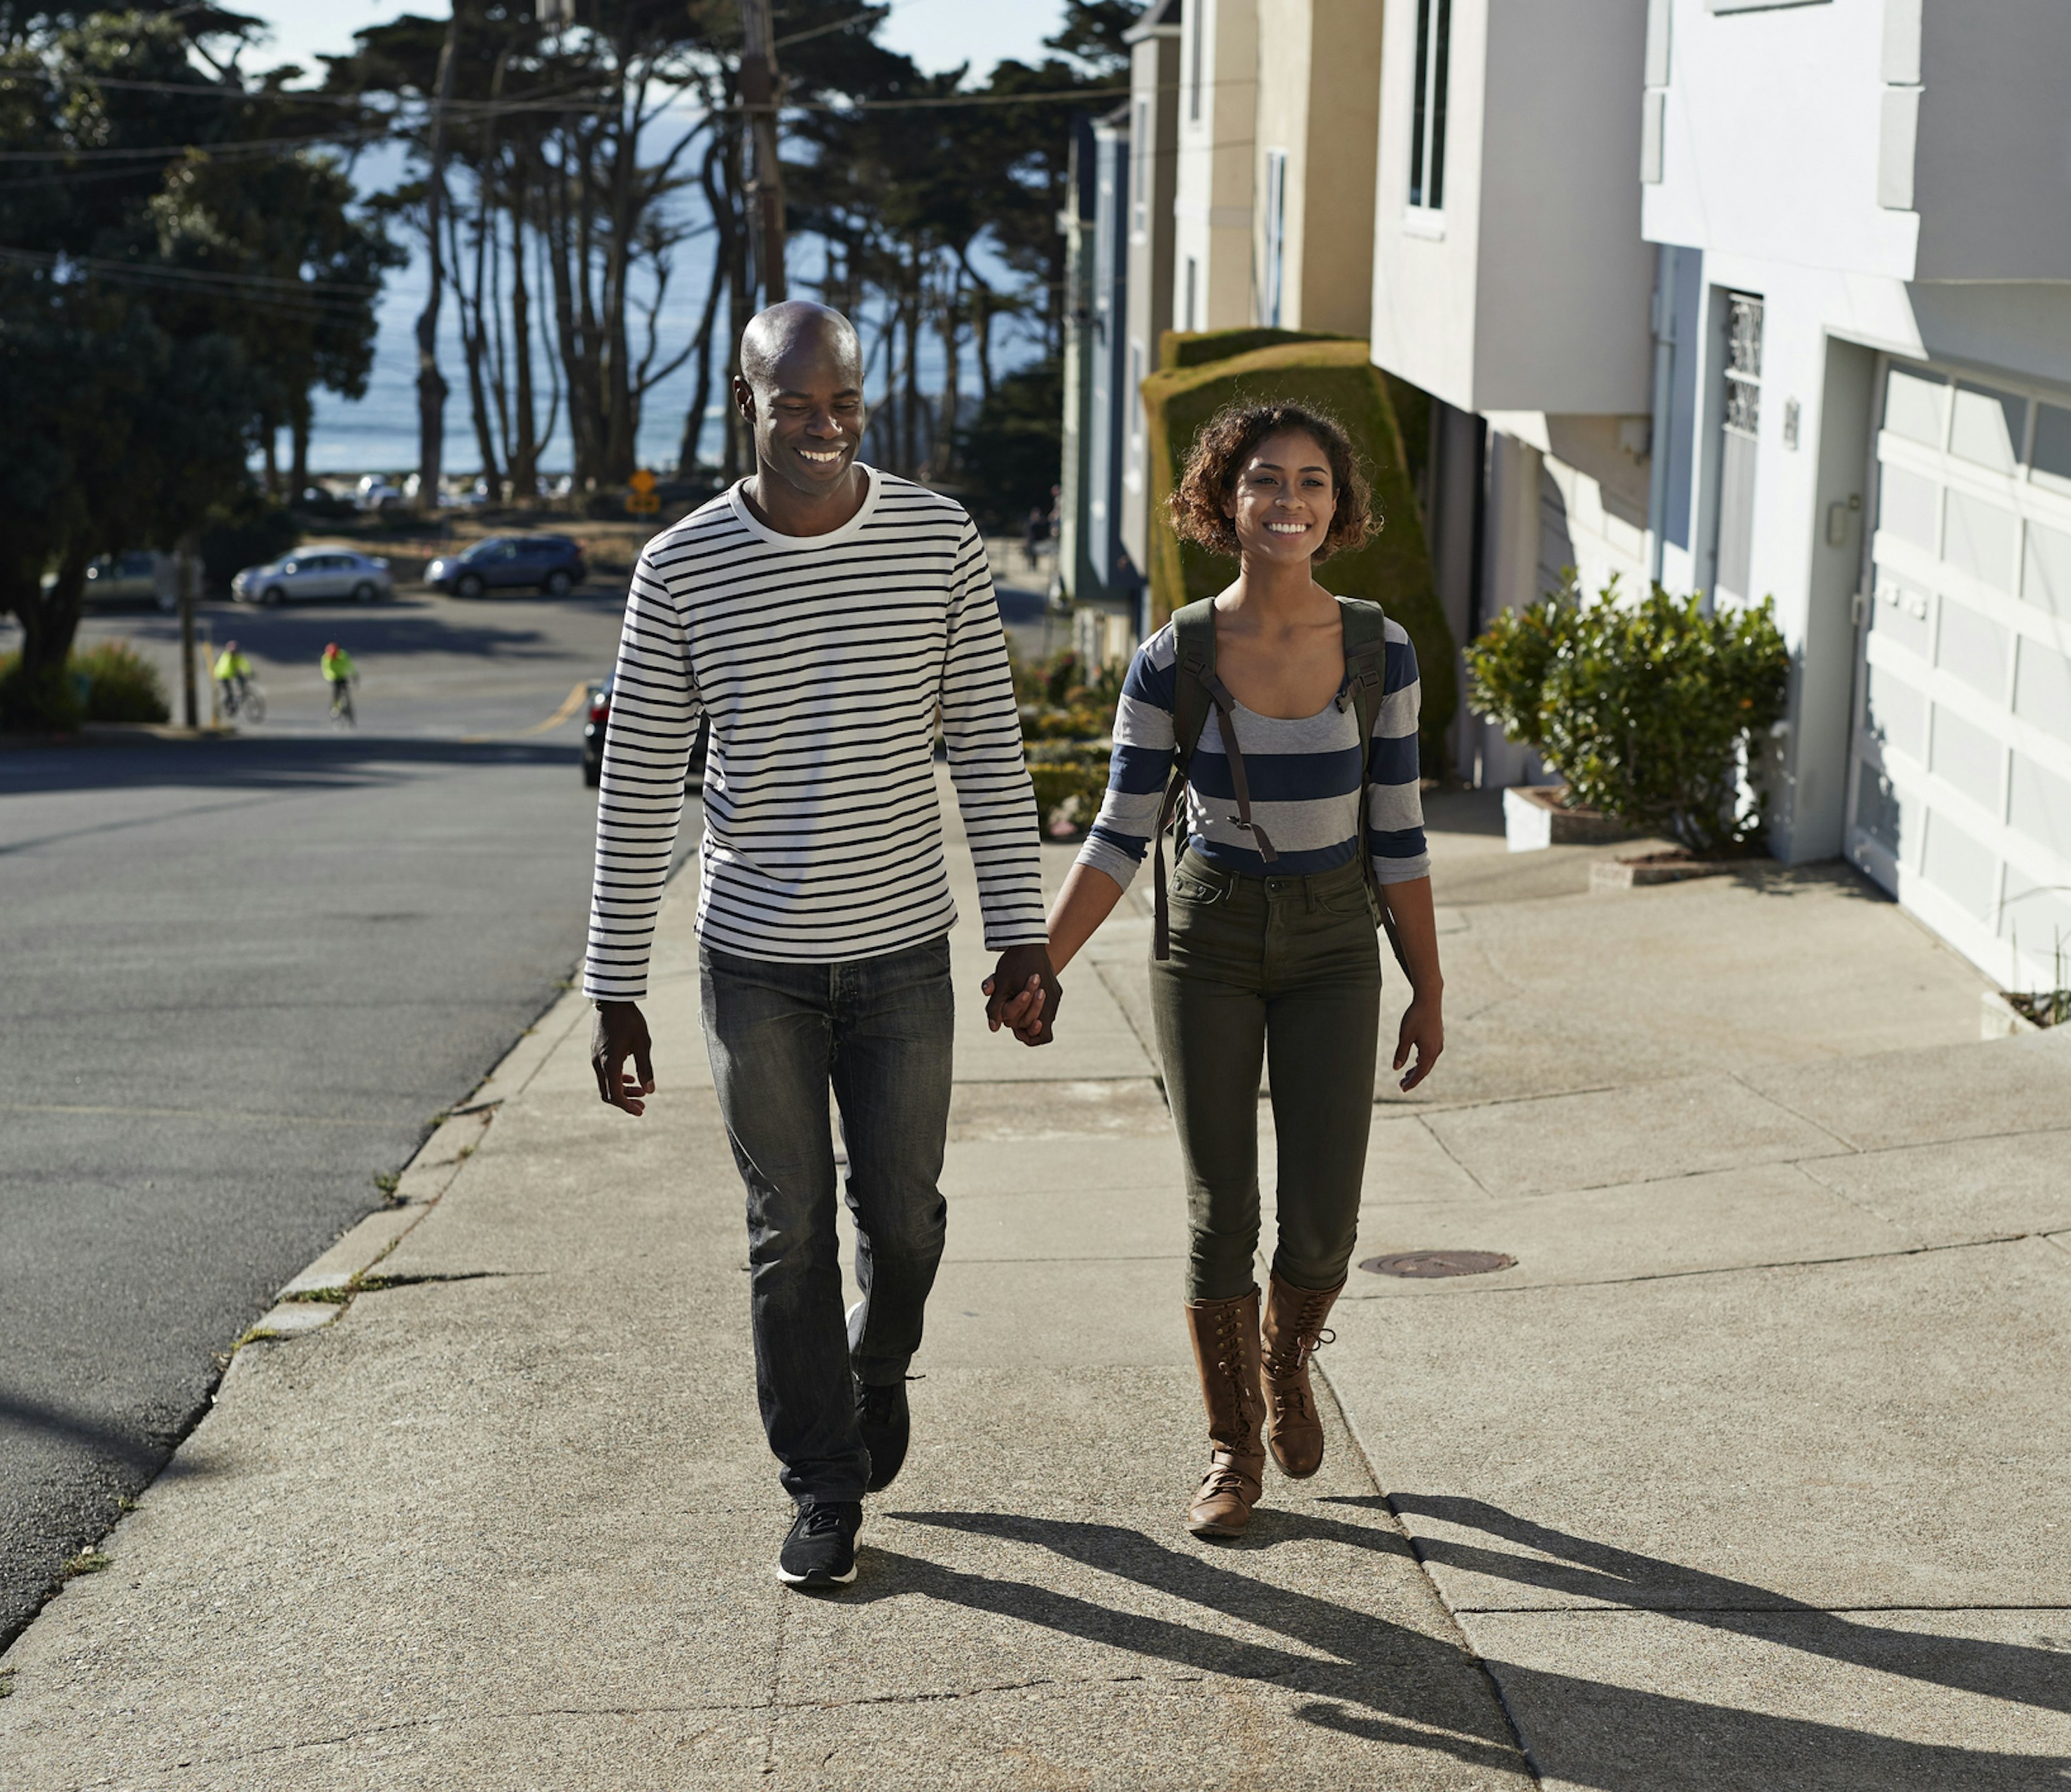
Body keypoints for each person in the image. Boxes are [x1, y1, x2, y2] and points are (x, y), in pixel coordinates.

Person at [584, 300, 1058, 1591]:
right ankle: (822, 1484)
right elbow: (637, 787)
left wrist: (1024, 935)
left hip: (905, 947)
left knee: (900, 1224)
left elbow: (990, 751)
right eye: (795, 405)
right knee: (785, 1227)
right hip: (755, 962)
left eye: (842, 403)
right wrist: (613, 987)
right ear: (748, 401)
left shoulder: (937, 538)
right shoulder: (681, 568)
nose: (823, 428)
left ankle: (879, 1361)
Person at [1038, 401, 1444, 1540]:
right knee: (1223, 1210)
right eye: (1265, 480)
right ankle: (1230, 1453)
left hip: (1332, 944)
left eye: (1313, 482)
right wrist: (1043, 963)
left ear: (1338, 505)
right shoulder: (1177, 655)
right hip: (1208, 937)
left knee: (1322, 1223)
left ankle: (1286, 1355)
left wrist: (1429, 981)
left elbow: (1400, 830)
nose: (1290, 502)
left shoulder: (1380, 649)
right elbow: (1119, 831)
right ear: (1225, 500)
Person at [211, 640, 252, 718]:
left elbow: (244, 663)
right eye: (232, 651)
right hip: (223, 675)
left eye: (235, 651)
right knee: (228, 693)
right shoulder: (226, 657)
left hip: (231, 674)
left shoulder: (237, 656)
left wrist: (249, 672)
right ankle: (226, 705)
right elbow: (226, 670)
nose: (234, 653)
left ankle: (236, 701)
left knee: (241, 683)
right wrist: (239, 675)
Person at [321, 640, 356, 725]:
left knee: (347, 695)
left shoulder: (343, 656)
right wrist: (331, 677)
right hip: (334, 678)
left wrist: (354, 674)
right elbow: (326, 670)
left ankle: (349, 712)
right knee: (336, 693)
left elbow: (350, 665)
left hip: (343, 676)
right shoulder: (326, 659)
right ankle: (335, 708)